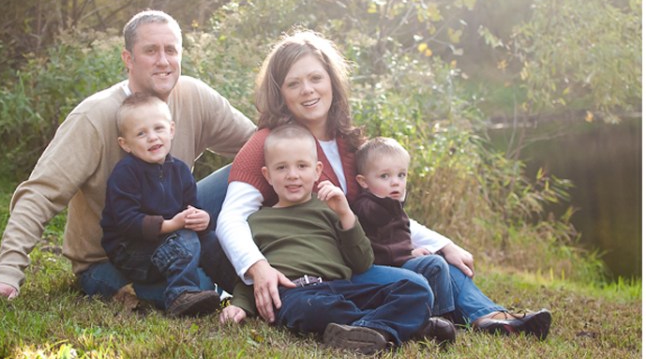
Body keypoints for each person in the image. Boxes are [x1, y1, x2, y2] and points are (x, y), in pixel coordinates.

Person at [217, 29, 551, 339]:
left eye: (316, 78)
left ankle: (490, 318)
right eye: (294, 83)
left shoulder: (349, 144)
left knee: (438, 261)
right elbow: (231, 218)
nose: (308, 90)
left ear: (332, 81)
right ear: (280, 93)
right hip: (331, 267)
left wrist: (442, 243)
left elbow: (379, 210)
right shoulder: (269, 143)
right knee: (414, 279)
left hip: (366, 253)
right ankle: (414, 324)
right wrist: (257, 267)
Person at [0, 9, 255, 306]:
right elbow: (40, 193)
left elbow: (261, 145)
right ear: (128, 59)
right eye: (151, 51)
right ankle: (201, 278)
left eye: (171, 50)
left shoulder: (193, 96)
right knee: (201, 283)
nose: (163, 61)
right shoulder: (94, 116)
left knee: (256, 165)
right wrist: (6, 272)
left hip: (174, 230)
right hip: (114, 256)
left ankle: (271, 272)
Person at [220, 124, 455, 354]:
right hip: (295, 293)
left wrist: (345, 215)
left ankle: (368, 330)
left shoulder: (330, 209)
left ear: (317, 171)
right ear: (267, 175)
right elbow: (252, 277)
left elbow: (362, 262)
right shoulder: (257, 221)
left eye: (302, 166)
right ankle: (400, 327)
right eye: (281, 168)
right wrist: (240, 305)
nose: (293, 175)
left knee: (415, 288)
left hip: (342, 286)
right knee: (316, 309)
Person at [352, 137, 552, 338]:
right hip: (377, 271)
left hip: (396, 262)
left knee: (444, 262)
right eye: (384, 176)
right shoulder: (367, 206)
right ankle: (441, 320)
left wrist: (418, 250)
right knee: (434, 264)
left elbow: (392, 238)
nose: (395, 182)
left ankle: (489, 318)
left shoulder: (388, 203)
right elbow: (376, 242)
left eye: (401, 175)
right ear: (363, 182)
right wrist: (406, 252)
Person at [100, 93, 220, 316]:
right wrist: (171, 225)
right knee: (186, 237)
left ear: (171, 130)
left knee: (211, 239)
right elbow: (127, 221)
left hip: (171, 243)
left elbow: (192, 207)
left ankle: (243, 291)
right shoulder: (125, 173)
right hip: (133, 252)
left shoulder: (180, 170)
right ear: (125, 144)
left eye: (159, 128)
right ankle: (180, 294)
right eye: (141, 133)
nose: (152, 137)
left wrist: (202, 219)